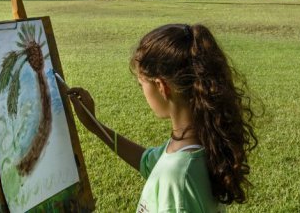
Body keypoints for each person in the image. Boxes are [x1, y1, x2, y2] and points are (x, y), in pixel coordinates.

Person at [67, 24, 257, 213]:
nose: (142, 92)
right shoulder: (197, 143)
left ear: (161, 86)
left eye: (142, 84)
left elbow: (168, 173)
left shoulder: (176, 179)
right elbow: (147, 161)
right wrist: (95, 125)